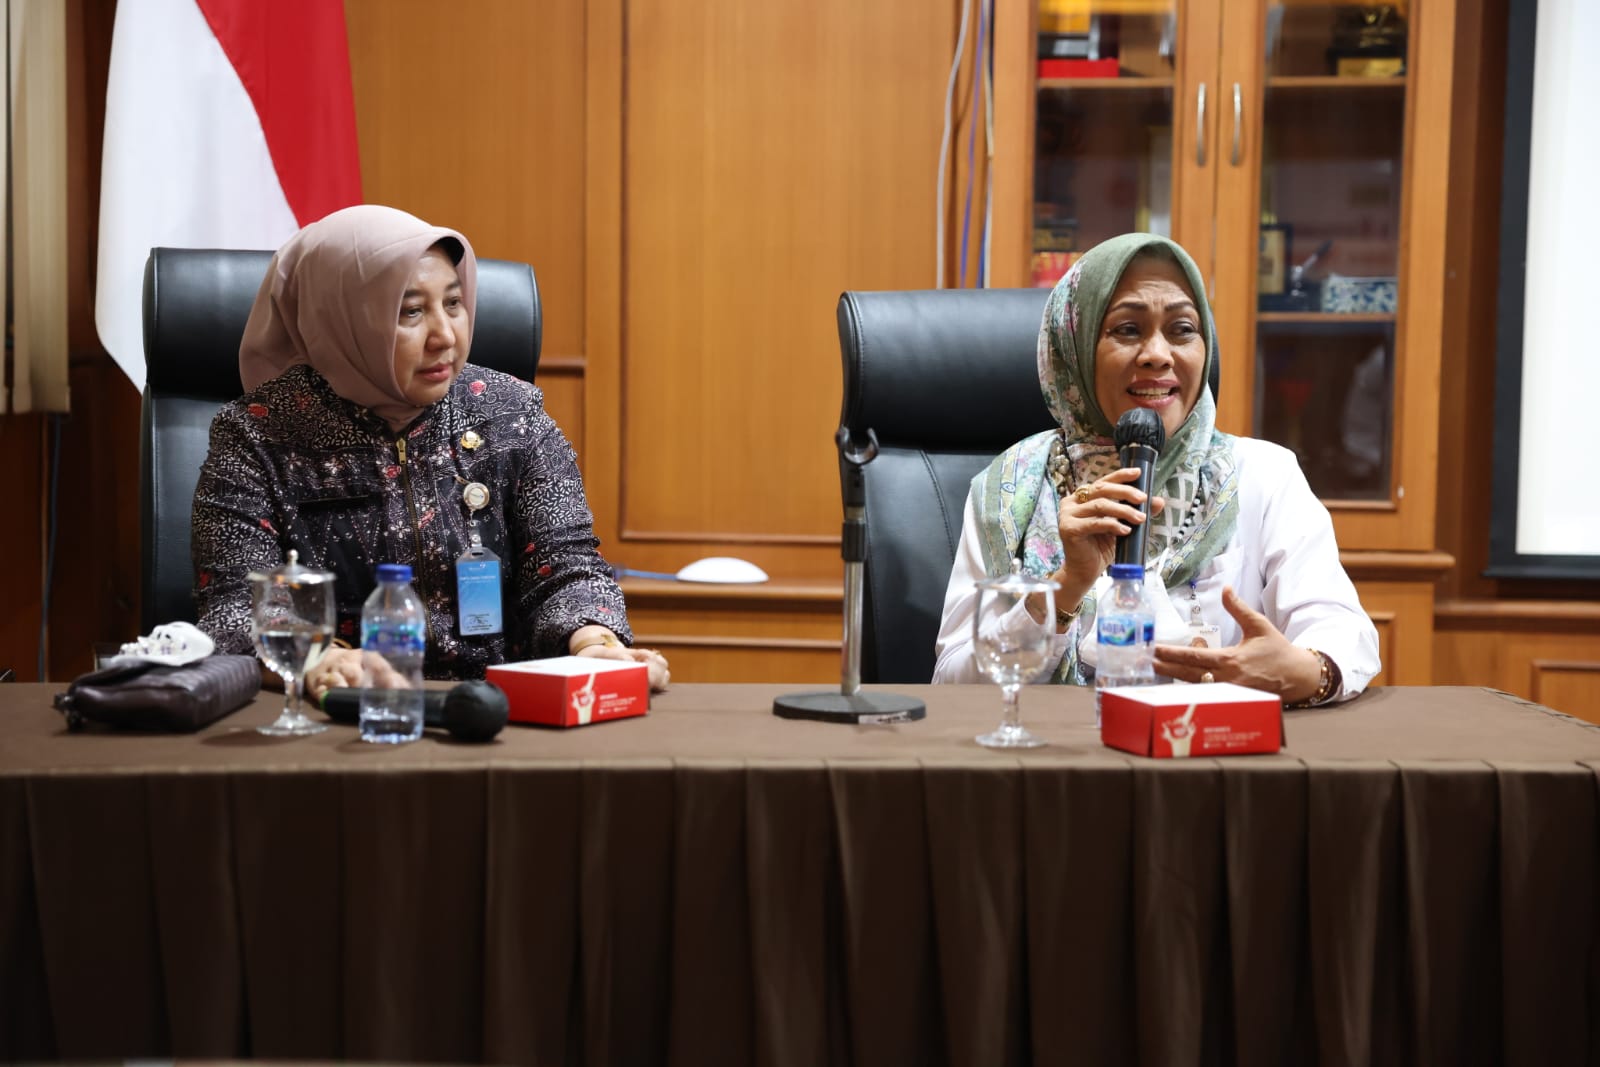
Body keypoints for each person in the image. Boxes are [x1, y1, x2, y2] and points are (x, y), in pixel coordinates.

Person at [192, 204, 669, 696]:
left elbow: (566, 565)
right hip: (343, 710)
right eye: (411, 312)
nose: (445, 336)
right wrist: (320, 659)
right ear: (338, 321)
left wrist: (593, 642)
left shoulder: (512, 414)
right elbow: (235, 603)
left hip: (495, 712)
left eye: (454, 303)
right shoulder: (257, 434)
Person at [933, 233, 1379, 704]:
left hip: (1208, 744)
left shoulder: (1263, 475)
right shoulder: (1007, 489)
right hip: (1054, 748)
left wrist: (1303, 671)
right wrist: (1065, 588)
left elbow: (1342, 633)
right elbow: (951, 684)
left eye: (1182, 329)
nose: (1158, 355)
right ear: (1074, 347)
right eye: (1128, 329)